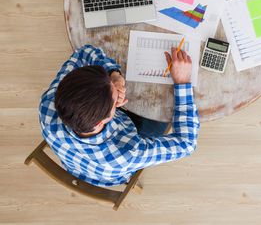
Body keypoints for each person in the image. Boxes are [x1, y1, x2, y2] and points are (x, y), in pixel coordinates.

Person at [38, 44, 200, 187]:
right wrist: (182, 82)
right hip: (113, 172)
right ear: (106, 119)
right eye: (115, 97)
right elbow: (186, 144)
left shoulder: (48, 104)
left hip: (74, 163)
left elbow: (84, 52)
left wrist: (114, 75)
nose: (118, 88)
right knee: (161, 121)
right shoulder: (127, 153)